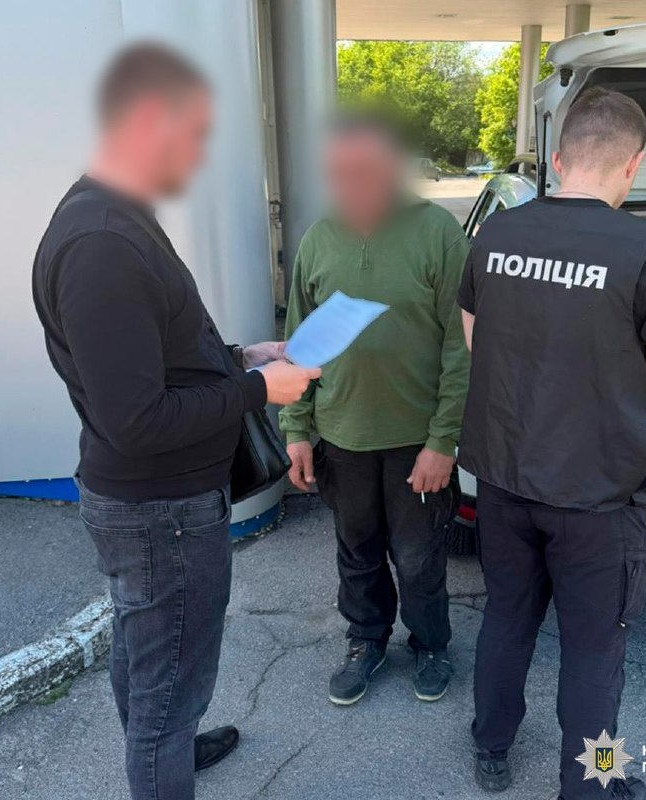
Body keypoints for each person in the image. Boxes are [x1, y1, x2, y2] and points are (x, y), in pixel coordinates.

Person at [32, 44, 319, 800]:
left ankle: (171, 750)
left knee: (146, 652)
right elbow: (138, 418)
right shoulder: (102, 244)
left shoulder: (114, 219)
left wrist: (239, 357)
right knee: (167, 692)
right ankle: (166, 756)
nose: (196, 158)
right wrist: (257, 390)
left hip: (151, 503)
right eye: (192, 137)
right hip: (161, 510)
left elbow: (155, 359)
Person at [458, 88, 646, 798]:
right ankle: (593, 784)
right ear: (634, 163)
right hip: (597, 493)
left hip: (504, 477)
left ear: (559, 160)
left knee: (507, 618)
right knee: (595, 652)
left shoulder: (496, 235)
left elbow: (478, 345)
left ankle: (491, 746)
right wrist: (602, 408)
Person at [279, 118, 470, 706]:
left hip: (417, 441)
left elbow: (463, 346)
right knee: (357, 554)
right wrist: (297, 429)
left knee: (418, 560)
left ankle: (431, 643)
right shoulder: (318, 238)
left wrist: (443, 440)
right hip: (342, 435)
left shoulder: (438, 234)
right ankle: (366, 640)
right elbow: (301, 344)